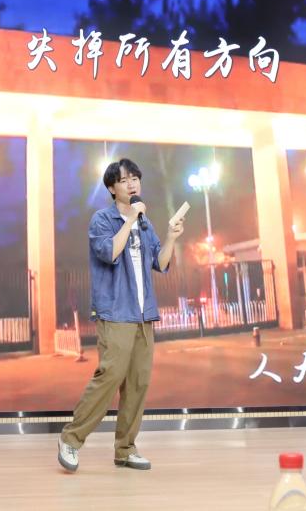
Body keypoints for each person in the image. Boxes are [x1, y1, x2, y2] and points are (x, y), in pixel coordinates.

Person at [57, 158, 185, 473]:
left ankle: (125, 449)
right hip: (115, 312)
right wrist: (129, 220)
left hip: (143, 315)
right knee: (110, 376)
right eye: (124, 180)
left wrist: (171, 237)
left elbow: (160, 264)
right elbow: (110, 252)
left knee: (138, 383)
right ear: (112, 188)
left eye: (135, 178)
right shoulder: (102, 220)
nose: (132, 184)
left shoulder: (145, 223)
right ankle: (71, 439)